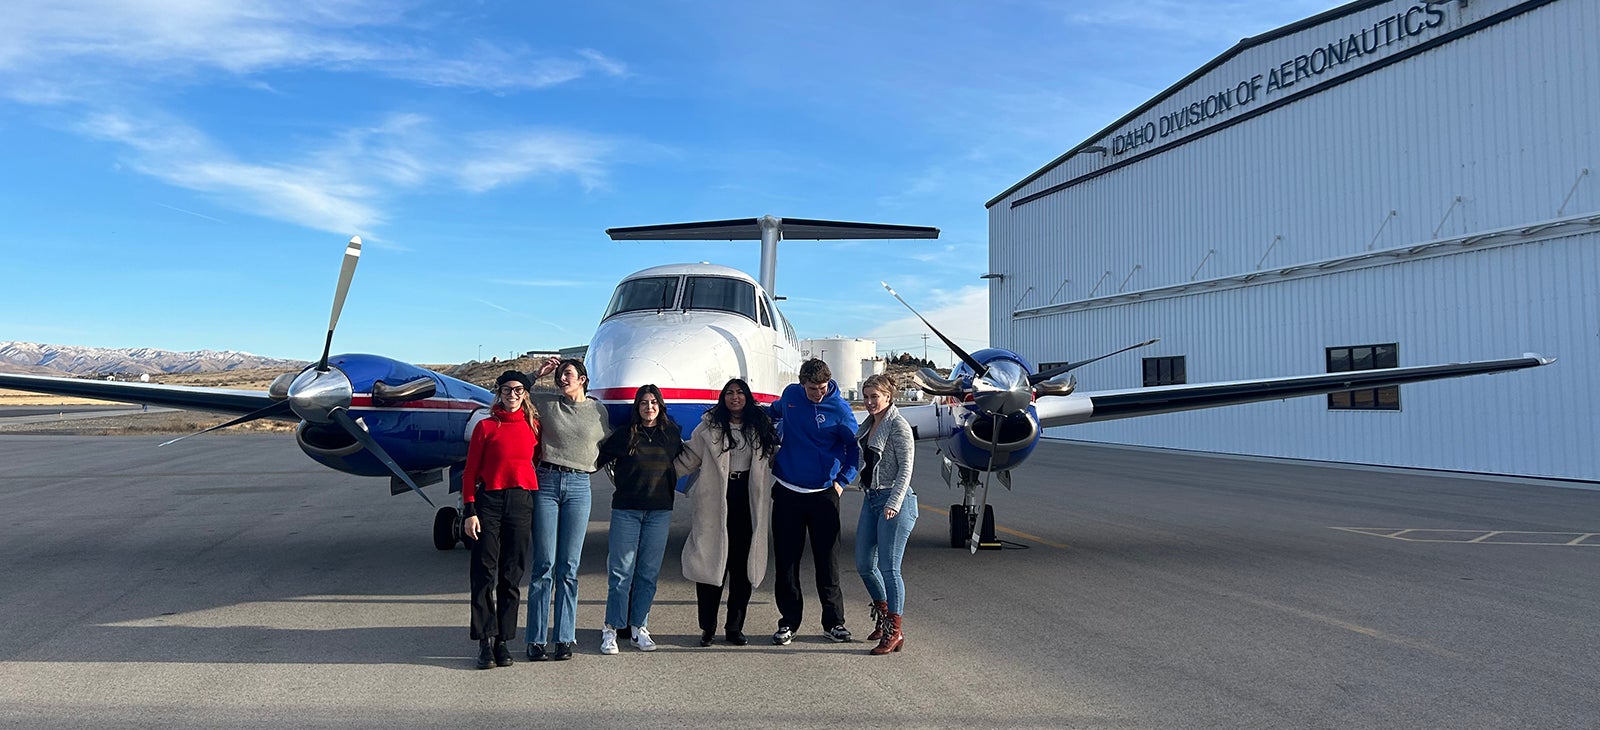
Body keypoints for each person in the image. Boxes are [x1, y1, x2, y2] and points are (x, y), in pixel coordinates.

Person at [675, 378, 780, 647]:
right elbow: (688, 458)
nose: (735, 398)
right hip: (715, 502)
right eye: (730, 393)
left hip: (747, 501)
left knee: (741, 568)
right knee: (711, 567)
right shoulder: (708, 427)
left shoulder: (760, 427)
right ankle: (707, 628)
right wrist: (654, 472)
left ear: (747, 397)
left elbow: (778, 456)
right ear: (723, 398)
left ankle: (735, 627)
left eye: (740, 393)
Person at [524, 356, 612, 662]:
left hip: (579, 487)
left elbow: (610, 445)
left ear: (583, 379)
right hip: (546, 483)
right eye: (560, 374)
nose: (562, 378)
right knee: (543, 564)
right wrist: (540, 373)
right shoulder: (547, 404)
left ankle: (564, 637)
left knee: (569, 567)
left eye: (568, 374)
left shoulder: (598, 411)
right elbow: (517, 391)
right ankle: (536, 638)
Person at [768, 358, 860, 645]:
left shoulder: (841, 411)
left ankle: (833, 623)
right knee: (786, 562)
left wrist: (841, 482)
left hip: (823, 495)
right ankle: (789, 622)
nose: (817, 393)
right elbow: (770, 413)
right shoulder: (790, 396)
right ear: (801, 384)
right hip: (787, 490)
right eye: (811, 389)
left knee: (827, 562)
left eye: (821, 388)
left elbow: (854, 451)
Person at [594, 384, 682, 654]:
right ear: (637, 407)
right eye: (644, 403)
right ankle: (611, 628)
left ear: (660, 406)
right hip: (626, 511)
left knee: (648, 574)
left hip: (659, 511)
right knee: (621, 573)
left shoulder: (672, 435)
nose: (649, 407)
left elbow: (689, 456)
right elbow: (596, 458)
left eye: (654, 402)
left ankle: (638, 627)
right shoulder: (624, 435)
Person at [461, 370, 540, 669]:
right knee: (483, 572)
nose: (512, 394)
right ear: (499, 392)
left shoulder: (533, 426)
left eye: (518, 389)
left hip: (521, 501)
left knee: (511, 574)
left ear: (525, 393)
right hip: (489, 502)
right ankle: (484, 640)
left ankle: (503, 641)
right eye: (507, 389)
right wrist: (470, 511)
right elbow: (470, 472)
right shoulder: (485, 427)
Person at [853, 372, 917, 655]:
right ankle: (883, 614)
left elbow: (906, 468)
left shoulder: (898, 426)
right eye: (866, 397)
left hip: (895, 501)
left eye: (874, 397)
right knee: (864, 563)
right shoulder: (867, 427)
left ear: (888, 397)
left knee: (890, 568)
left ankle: (895, 631)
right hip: (871, 498)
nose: (869, 402)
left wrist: (894, 502)